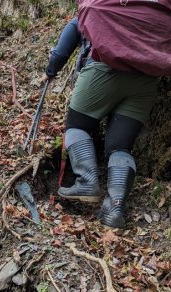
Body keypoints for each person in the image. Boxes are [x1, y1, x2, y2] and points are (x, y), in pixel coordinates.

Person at [43, 17, 158, 229]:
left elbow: (61, 52)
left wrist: (50, 72)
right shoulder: (145, 11)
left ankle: (87, 182)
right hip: (147, 76)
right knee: (120, 147)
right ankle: (115, 209)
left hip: (104, 69)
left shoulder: (93, 10)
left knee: (77, 127)